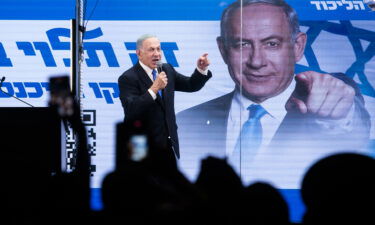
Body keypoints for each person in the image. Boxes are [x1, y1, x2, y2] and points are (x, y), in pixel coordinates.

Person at [177, 0, 370, 187]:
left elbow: (353, 134)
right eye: (242, 44)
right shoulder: (185, 121)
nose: (257, 61)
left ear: (298, 47)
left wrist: (340, 114)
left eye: (272, 44)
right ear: (223, 50)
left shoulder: (324, 101)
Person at [118, 34, 211, 160]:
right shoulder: (128, 78)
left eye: (158, 49)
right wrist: (154, 89)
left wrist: (201, 69)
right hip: (140, 145)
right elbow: (131, 110)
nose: (157, 54)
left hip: (167, 144)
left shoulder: (166, 69)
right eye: (151, 50)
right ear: (139, 53)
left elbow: (190, 85)